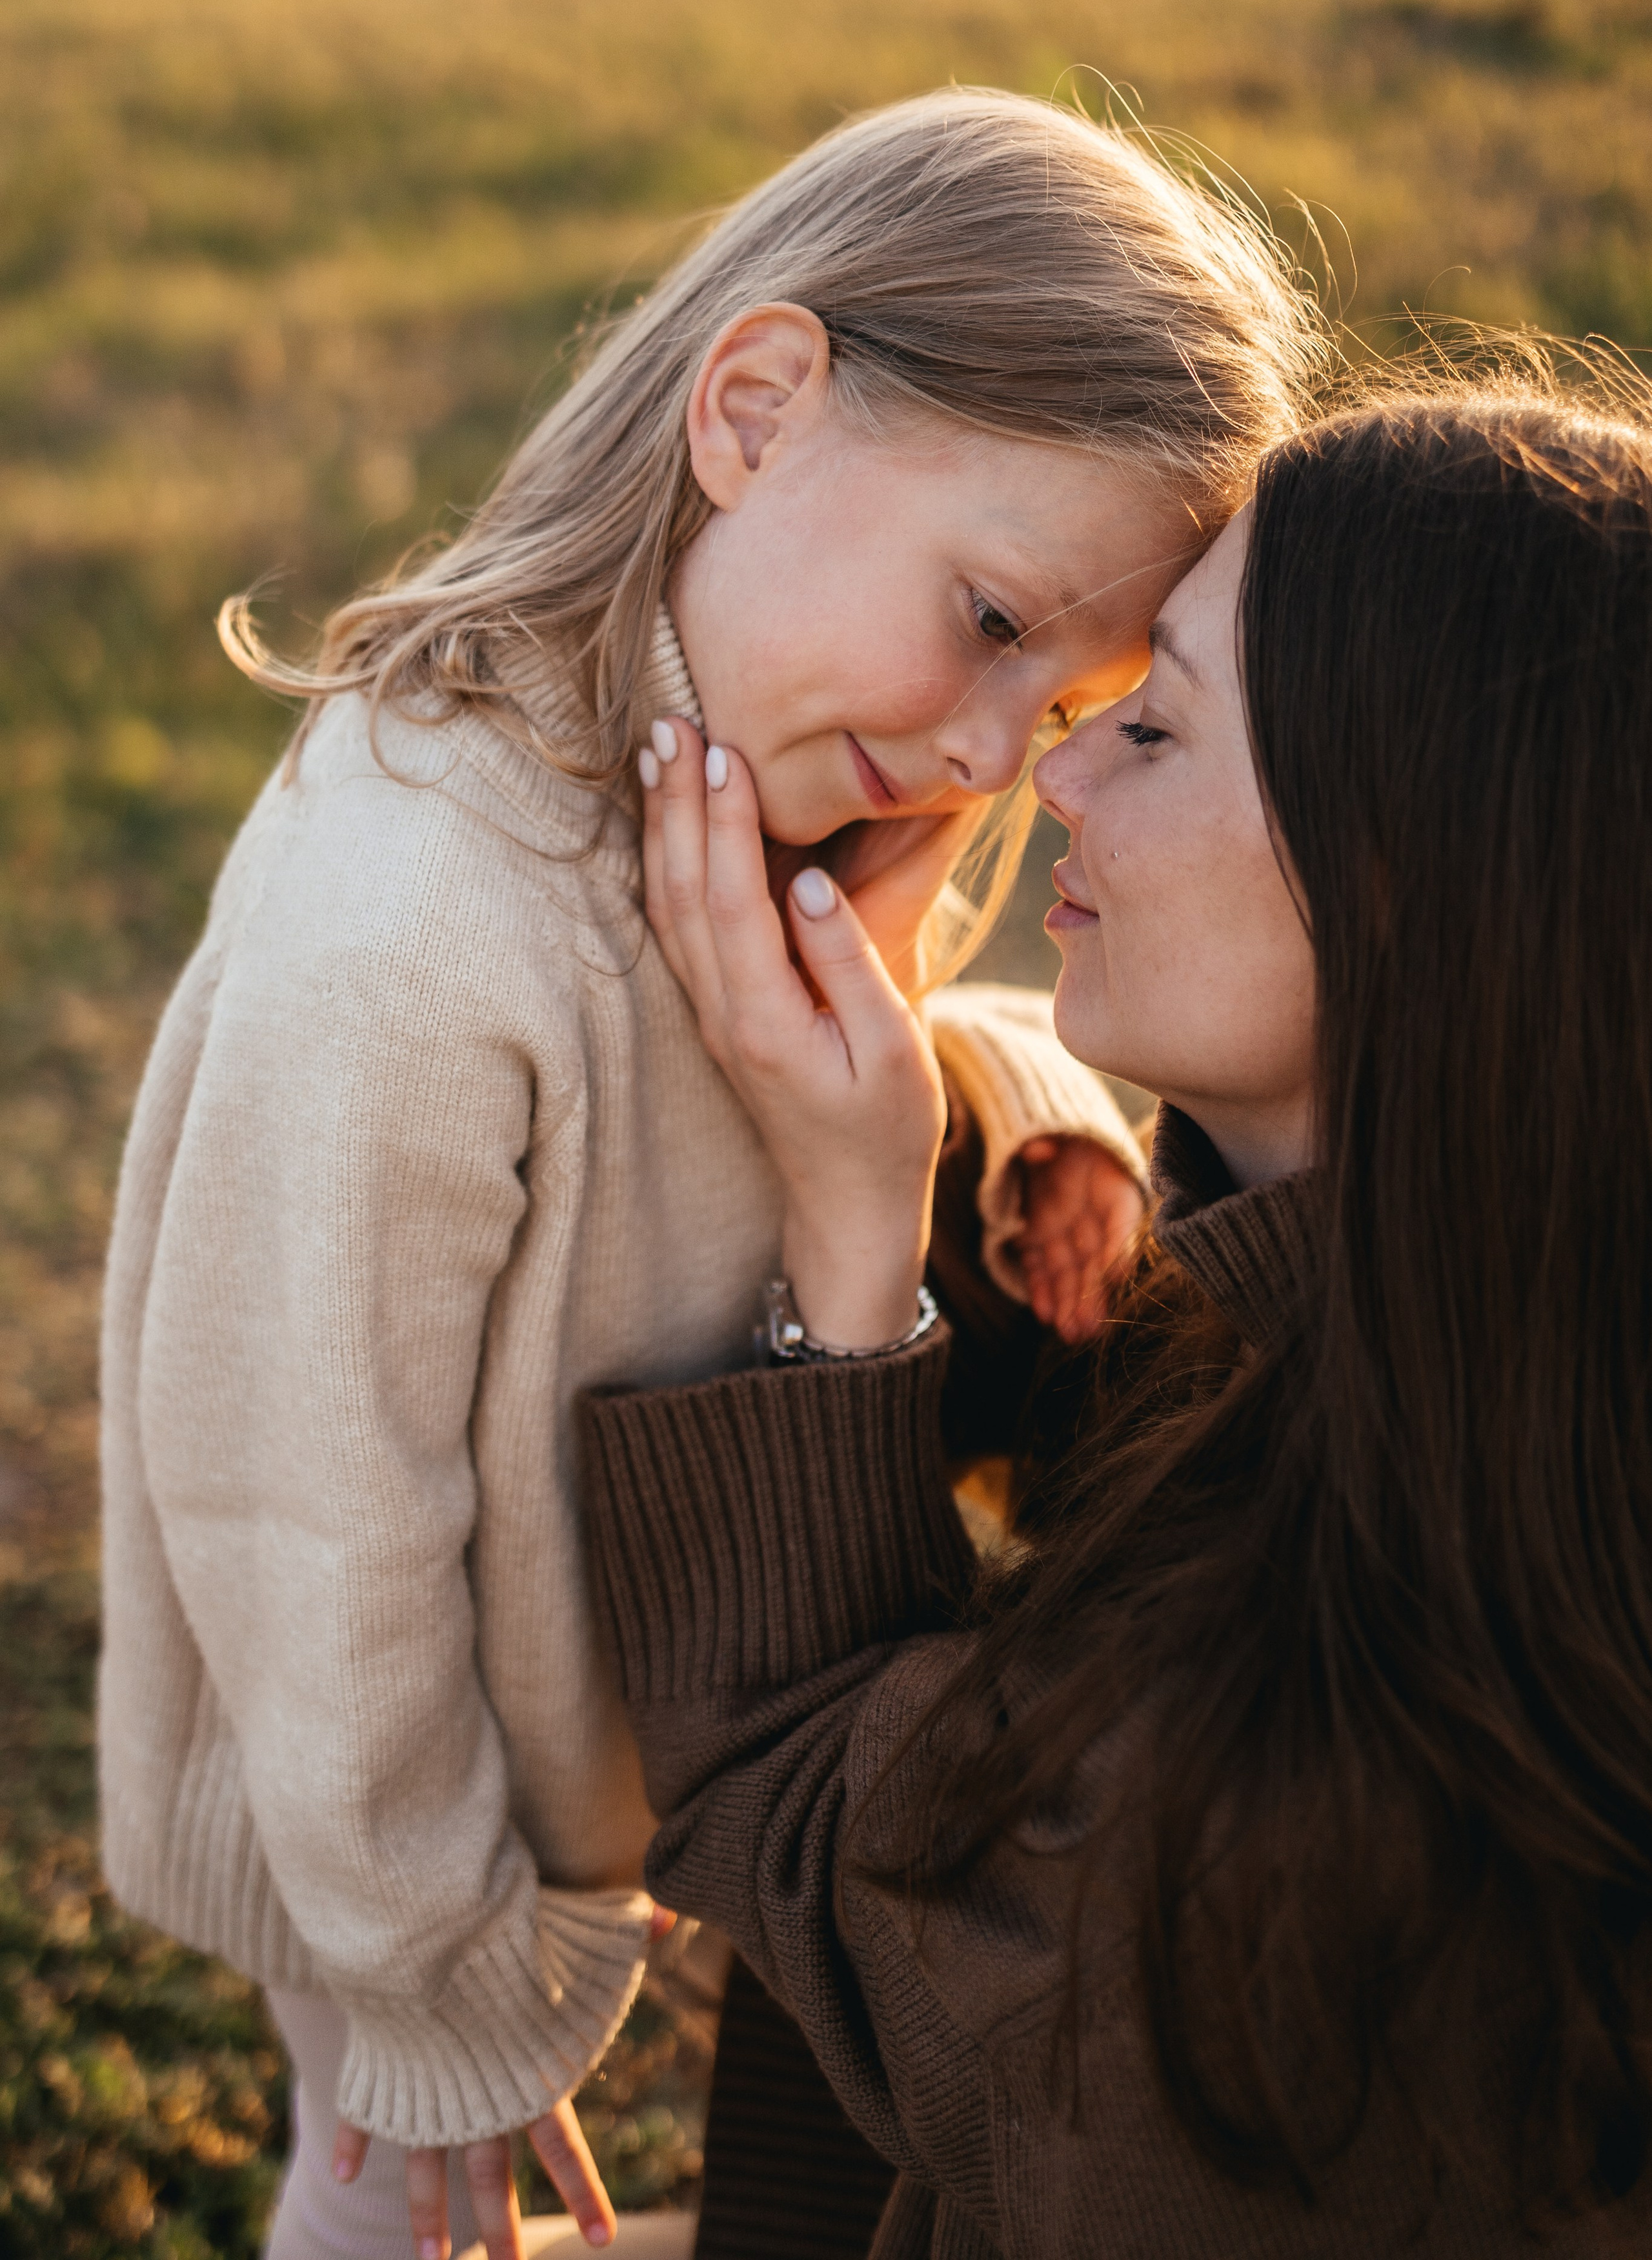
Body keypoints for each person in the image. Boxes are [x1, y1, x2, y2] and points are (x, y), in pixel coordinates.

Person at [97, 87, 1324, 2260]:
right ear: (753, 405)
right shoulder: (412, 937)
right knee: (395, 2204)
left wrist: (979, 1074)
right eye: (990, 617)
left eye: (1073, 707)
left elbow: (788, 1109)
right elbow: (307, 1505)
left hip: (558, 1753)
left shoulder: (770, 786)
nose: (987, 750)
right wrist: (434, 1974)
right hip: (390, 1813)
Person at [584, 384, 1652, 2256]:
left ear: (1397, 885)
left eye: (1150, 723)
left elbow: (844, 1852)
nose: (1044, 779)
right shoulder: (1532, 1342)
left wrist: (851, 1235)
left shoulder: (1298, 1807)